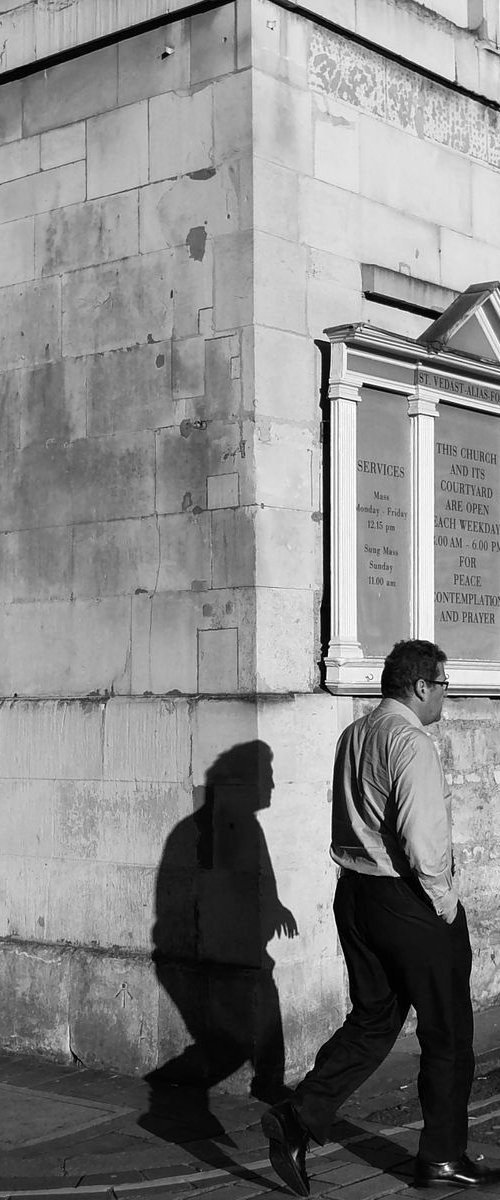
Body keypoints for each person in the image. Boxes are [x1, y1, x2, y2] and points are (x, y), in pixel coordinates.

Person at [262, 639, 500, 1196]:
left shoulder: (355, 733)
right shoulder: (410, 741)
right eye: (443, 684)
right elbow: (423, 842)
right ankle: (441, 1158)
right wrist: (443, 901)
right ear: (420, 687)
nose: (446, 694)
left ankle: (298, 1116)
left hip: (358, 895)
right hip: (407, 900)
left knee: (374, 1020)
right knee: (447, 1034)